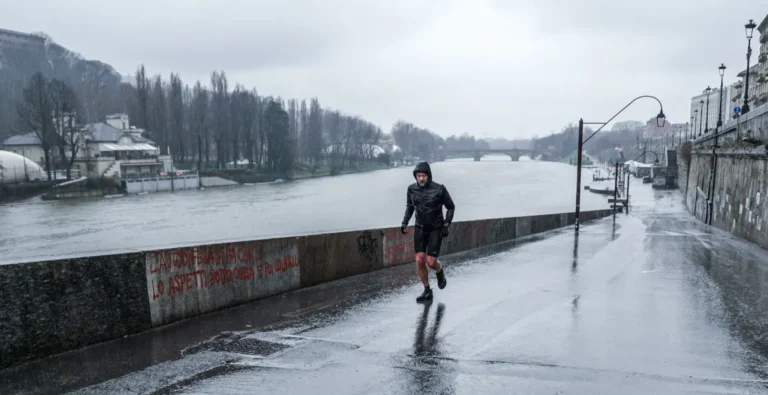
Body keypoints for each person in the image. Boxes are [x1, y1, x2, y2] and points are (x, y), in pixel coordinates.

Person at [401, 161, 455, 302]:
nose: (421, 179)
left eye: (424, 175)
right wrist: (405, 222)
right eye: (418, 176)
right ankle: (427, 290)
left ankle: (439, 270)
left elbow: (451, 207)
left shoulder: (440, 189)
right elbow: (410, 206)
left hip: (435, 229)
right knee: (419, 260)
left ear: (428, 176)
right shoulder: (411, 189)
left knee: (431, 262)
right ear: (415, 176)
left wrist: (446, 224)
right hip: (420, 227)